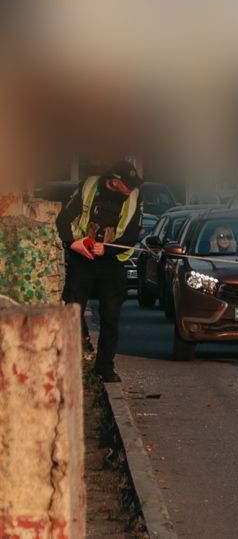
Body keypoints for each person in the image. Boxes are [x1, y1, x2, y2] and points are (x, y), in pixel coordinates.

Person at [56, 160, 144, 383]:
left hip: (111, 263)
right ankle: (70, 366)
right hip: (82, 259)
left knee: (111, 317)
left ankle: (105, 367)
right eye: (128, 185)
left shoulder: (134, 198)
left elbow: (132, 235)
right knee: (73, 312)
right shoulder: (88, 187)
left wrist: (108, 248)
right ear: (114, 182)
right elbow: (63, 219)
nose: (132, 190)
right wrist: (72, 243)